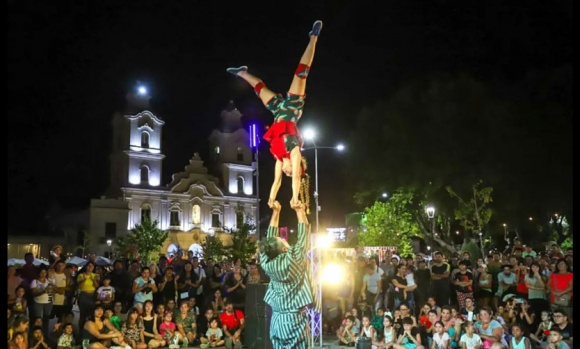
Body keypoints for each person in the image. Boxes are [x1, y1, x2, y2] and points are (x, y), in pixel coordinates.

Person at [227, 20, 323, 209]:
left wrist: (271, 199)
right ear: (297, 165)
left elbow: (276, 182)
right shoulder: (294, 151)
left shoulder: (279, 158)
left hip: (279, 110)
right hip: (292, 107)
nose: (287, 172)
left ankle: (242, 73)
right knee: (301, 73)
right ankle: (314, 37)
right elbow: (296, 176)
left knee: (259, 87)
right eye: (290, 171)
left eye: (286, 172)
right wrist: (296, 197)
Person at [258, 200, 314, 348]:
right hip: (294, 319)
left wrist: (276, 212)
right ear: (283, 249)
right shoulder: (293, 259)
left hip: (276, 319)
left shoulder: (266, 263)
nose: (284, 238)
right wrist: (299, 211)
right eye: (283, 240)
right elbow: (304, 238)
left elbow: (269, 241)